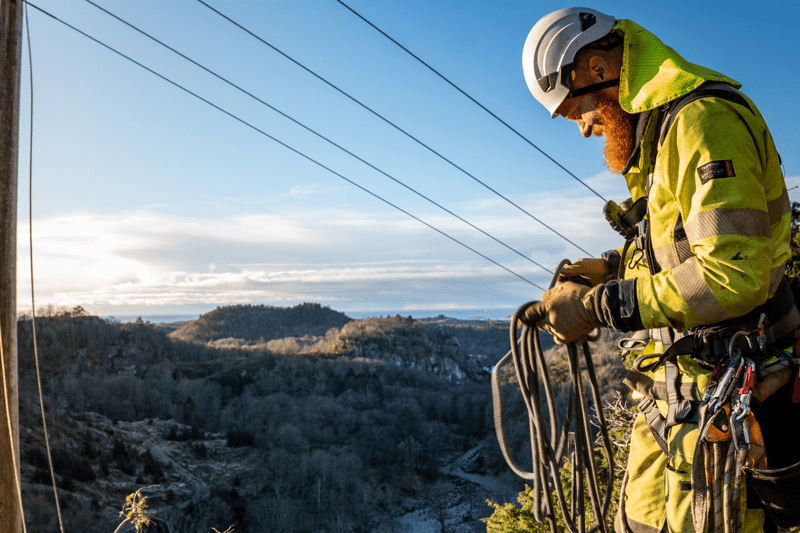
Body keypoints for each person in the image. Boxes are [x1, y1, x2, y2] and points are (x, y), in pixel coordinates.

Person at [520, 8, 799, 533]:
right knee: (638, 522)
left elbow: (732, 275)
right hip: (674, 395)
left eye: (576, 111)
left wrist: (597, 307)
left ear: (599, 68)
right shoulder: (661, 135)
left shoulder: (705, 122)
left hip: (725, 396)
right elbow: (679, 245)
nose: (584, 130)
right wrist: (611, 268)